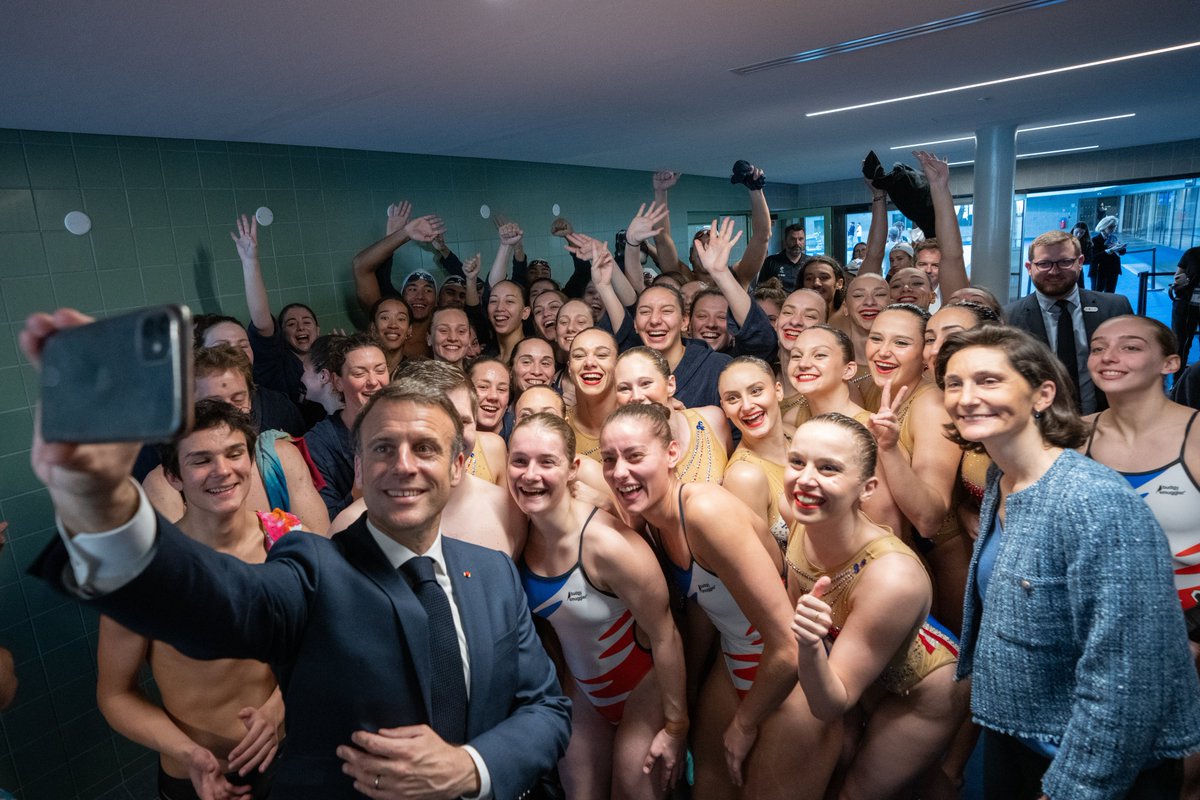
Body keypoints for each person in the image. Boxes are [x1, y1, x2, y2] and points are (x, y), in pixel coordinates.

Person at [26, 307, 571, 800]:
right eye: (382, 447)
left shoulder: (495, 574)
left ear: (458, 467)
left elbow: (546, 709)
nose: (404, 465)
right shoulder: (315, 568)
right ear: (357, 467)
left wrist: (469, 769)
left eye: (425, 448)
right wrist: (100, 506)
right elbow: (212, 602)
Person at [937, 324, 1200, 799]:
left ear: (1042, 394)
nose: (966, 397)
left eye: (989, 381)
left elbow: (1129, 677)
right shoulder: (1003, 477)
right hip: (1021, 739)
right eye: (954, 383)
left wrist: (1076, 787)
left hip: (1097, 766)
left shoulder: (1092, 499)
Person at [600, 404, 838, 800]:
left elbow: (789, 646)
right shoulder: (654, 520)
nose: (619, 472)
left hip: (792, 678)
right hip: (734, 663)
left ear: (672, 454)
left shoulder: (706, 512)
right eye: (609, 459)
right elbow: (704, 611)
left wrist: (744, 724)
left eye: (635, 456)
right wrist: (686, 698)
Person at [99, 401, 285, 800]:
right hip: (199, 777)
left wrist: (278, 707)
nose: (223, 470)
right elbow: (114, 694)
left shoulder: (286, 541)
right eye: (201, 460)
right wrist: (190, 752)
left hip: (288, 756)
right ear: (173, 476)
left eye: (235, 453)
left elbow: (319, 644)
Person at [787, 413, 967, 800]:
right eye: (797, 461)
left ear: (867, 488)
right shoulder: (806, 520)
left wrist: (808, 645)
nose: (805, 479)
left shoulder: (893, 577)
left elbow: (828, 704)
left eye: (828, 468)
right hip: (864, 671)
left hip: (923, 693)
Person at [509, 413, 687, 799]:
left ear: (573, 468)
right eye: (519, 461)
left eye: (546, 462)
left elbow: (666, 635)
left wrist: (676, 726)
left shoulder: (608, 545)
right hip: (584, 694)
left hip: (642, 690)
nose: (530, 474)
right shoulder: (518, 534)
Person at [142, 345, 330, 534]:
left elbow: (320, 545)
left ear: (250, 399)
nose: (229, 412)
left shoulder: (280, 457)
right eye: (214, 403)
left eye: (238, 399)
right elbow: (179, 559)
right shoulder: (165, 482)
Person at [1005, 229, 1133, 415]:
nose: (1054, 271)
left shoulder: (1114, 308)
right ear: (1029, 268)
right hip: (1037, 429)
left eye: (1065, 262)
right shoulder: (1009, 318)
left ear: (1080, 262)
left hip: (1106, 424)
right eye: (1044, 264)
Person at [614, 346, 731, 484]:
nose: (636, 396)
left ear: (670, 385)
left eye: (645, 384)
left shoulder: (712, 419)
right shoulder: (618, 451)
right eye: (624, 388)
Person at [305, 333, 389, 519]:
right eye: (359, 373)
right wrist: (357, 493)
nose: (373, 381)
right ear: (337, 381)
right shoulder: (318, 443)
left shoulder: (405, 423)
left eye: (380, 370)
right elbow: (326, 522)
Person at [717, 357, 791, 548]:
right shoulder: (745, 476)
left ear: (778, 391)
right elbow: (763, 563)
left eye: (756, 391)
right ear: (724, 408)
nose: (747, 406)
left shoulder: (798, 434)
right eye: (732, 398)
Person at [369, 297, 413, 377]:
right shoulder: (362, 371)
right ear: (373, 327)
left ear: (409, 329)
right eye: (385, 318)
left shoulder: (414, 373)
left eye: (401, 319)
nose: (393, 325)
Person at [1171, 246, 1200, 365]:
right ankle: (1178, 380)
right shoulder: (1192, 253)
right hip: (1187, 306)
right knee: (1181, 344)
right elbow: (1177, 278)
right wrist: (1185, 280)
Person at [757, 223, 807, 291]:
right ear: (785, 241)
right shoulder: (770, 262)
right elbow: (761, 290)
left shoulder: (809, 262)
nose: (797, 243)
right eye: (792, 239)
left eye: (801, 239)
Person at [1091, 215, 1126, 294]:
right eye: (1111, 227)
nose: (1113, 229)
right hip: (1099, 271)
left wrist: (1121, 248)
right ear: (1103, 227)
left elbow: (1122, 253)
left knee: (1110, 294)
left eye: (1115, 226)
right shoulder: (1095, 240)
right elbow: (1093, 258)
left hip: (1113, 270)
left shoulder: (1113, 238)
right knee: (1096, 294)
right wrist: (1108, 251)